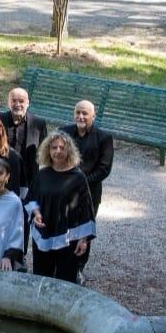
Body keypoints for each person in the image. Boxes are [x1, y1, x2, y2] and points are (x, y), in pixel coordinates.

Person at [25, 131, 96, 282]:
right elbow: (31, 198)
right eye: (54, 147)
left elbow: (87, 209)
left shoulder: (78, 177)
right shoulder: (42, 175)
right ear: (48, 150)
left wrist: (84, 240)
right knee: (41, 278)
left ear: (68, 150)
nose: (58, 151)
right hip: (43, 234)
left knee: (65, 280)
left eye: (62, 148)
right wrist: (36, 213)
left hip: (69, 239)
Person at [60, 100, 113, 275]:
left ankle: (78, 268)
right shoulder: (63, 132)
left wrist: (80, 183)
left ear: (93, 116)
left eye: (85, 113)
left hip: (89, 193)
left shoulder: (104, 138)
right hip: (63, 191)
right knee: (61, 226)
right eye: (78, 112)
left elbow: (104, 169)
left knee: (83, 230)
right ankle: (60, 263)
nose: (81, 116)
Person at [1, 87, 47, 187]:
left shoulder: (39, 123)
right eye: (14, 101)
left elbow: (44, 149)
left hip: (28, 179)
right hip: (1, 176)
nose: (17, 104)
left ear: (28, 103)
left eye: (21, 101)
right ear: (8, 102)